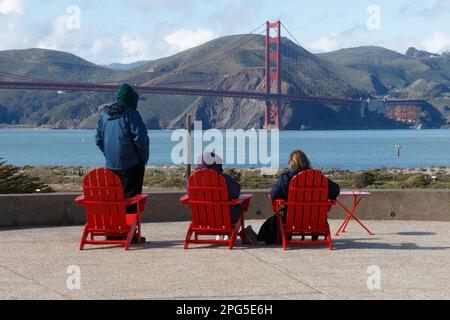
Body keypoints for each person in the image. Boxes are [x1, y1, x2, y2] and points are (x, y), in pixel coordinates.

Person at [96, 83, 149, 242]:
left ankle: (113, 231)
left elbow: (98, 140)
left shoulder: (103, 115)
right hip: (132, 165)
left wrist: (109, 155)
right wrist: (143, 159)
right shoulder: (131, 114)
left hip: (111, 166)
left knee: (113, 199)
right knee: (131, 201)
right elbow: (141, 140)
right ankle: (129, 233)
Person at [252, 149, 341, 244]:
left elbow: (273, 195)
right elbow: (335, 190)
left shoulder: (285, 178)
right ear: (307, 161)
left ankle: (284, 236)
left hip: (290, 218)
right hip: (316, 218)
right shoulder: (319, 177)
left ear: (290, 163)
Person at [194, 152, 256, 243]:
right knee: (240, 210)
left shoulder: (194, 180)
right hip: (227, 217)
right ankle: (229, 233)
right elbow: (235, 193)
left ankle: (220, 233)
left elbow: (189, 194)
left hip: (202, 218)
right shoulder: (225, 179)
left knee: (219, 211)